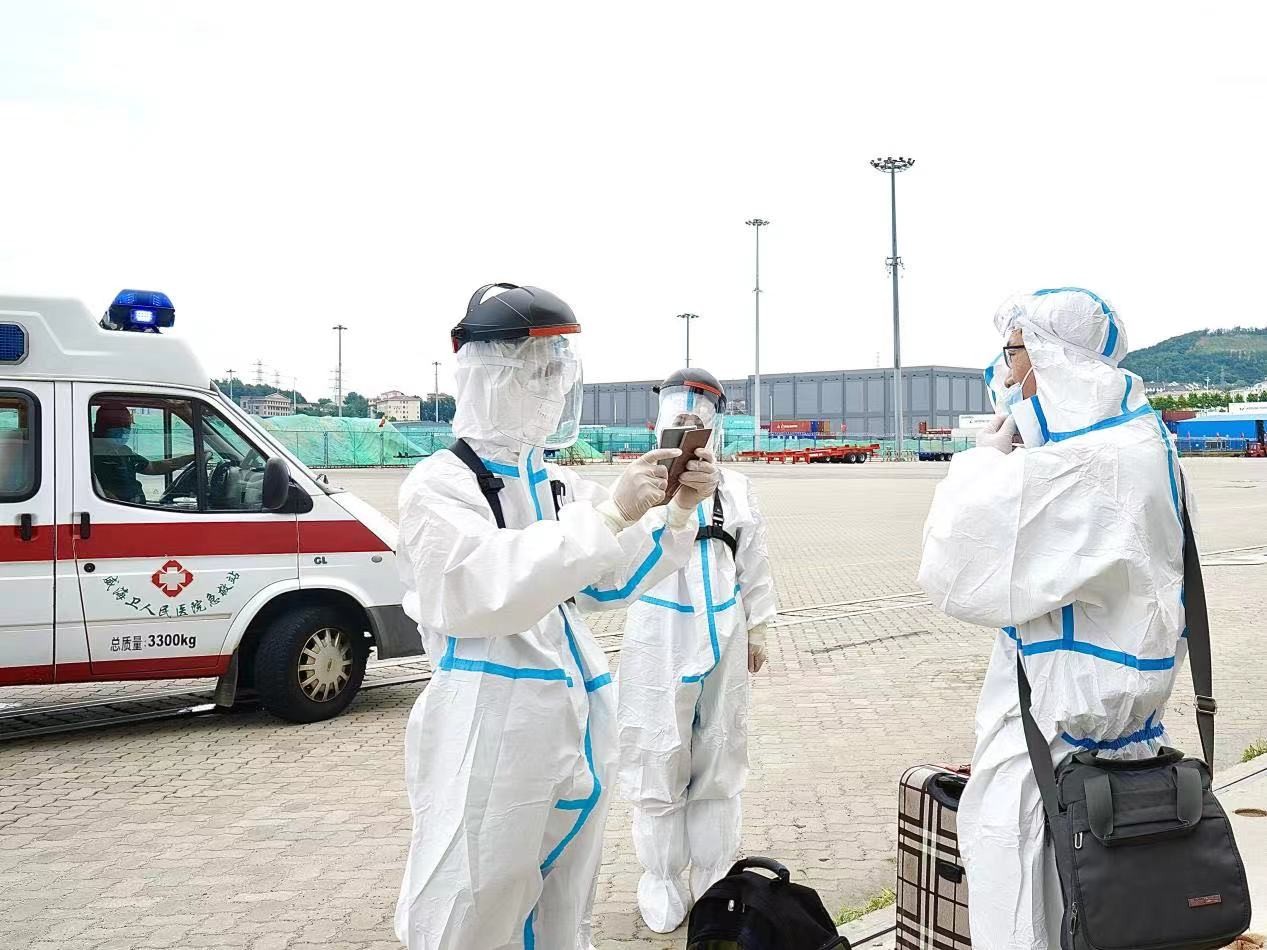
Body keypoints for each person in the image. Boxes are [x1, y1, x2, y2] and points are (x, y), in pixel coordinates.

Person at [393, 283, 719, 950]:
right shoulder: (439, 484)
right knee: (473, 899)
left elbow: (608, 580)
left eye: (556, 375)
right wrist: (608, 516)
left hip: (572, 717)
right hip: (489, 720)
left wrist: (676, 511)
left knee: (564, 901)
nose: (548, 391)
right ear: (487, 379)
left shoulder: (552, 481)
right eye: (533, 373)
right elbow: (481, 588)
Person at [918, 288, 1189, 949]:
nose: (1004, 371)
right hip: (1113, 752)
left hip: (1055, 761)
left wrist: (984, 459)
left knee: (1029, 918)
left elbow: (954, 567)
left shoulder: (1088, 466)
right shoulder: (1142, 444)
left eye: (1013, 351)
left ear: (1051, 358)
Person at [616, 368, 777, 934]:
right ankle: (660, 876)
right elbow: (618, 559)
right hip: (658, 635)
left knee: (721, 750)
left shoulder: (736, 489)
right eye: (677, 411)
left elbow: (753, 560)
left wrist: (759, 628)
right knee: (658, 750)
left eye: (698, 413)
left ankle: (714, 874)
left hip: (725, 632)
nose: (688, 419)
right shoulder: (641, 483)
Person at [91, 402, 195, 504]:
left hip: (133, 507)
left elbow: (154, 467)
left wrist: (192, 457)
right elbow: (101, 495)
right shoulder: (89, 453)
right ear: (100, 427)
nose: (123, 431)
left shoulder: (123, 451)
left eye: (127, 426)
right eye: (116, 425)